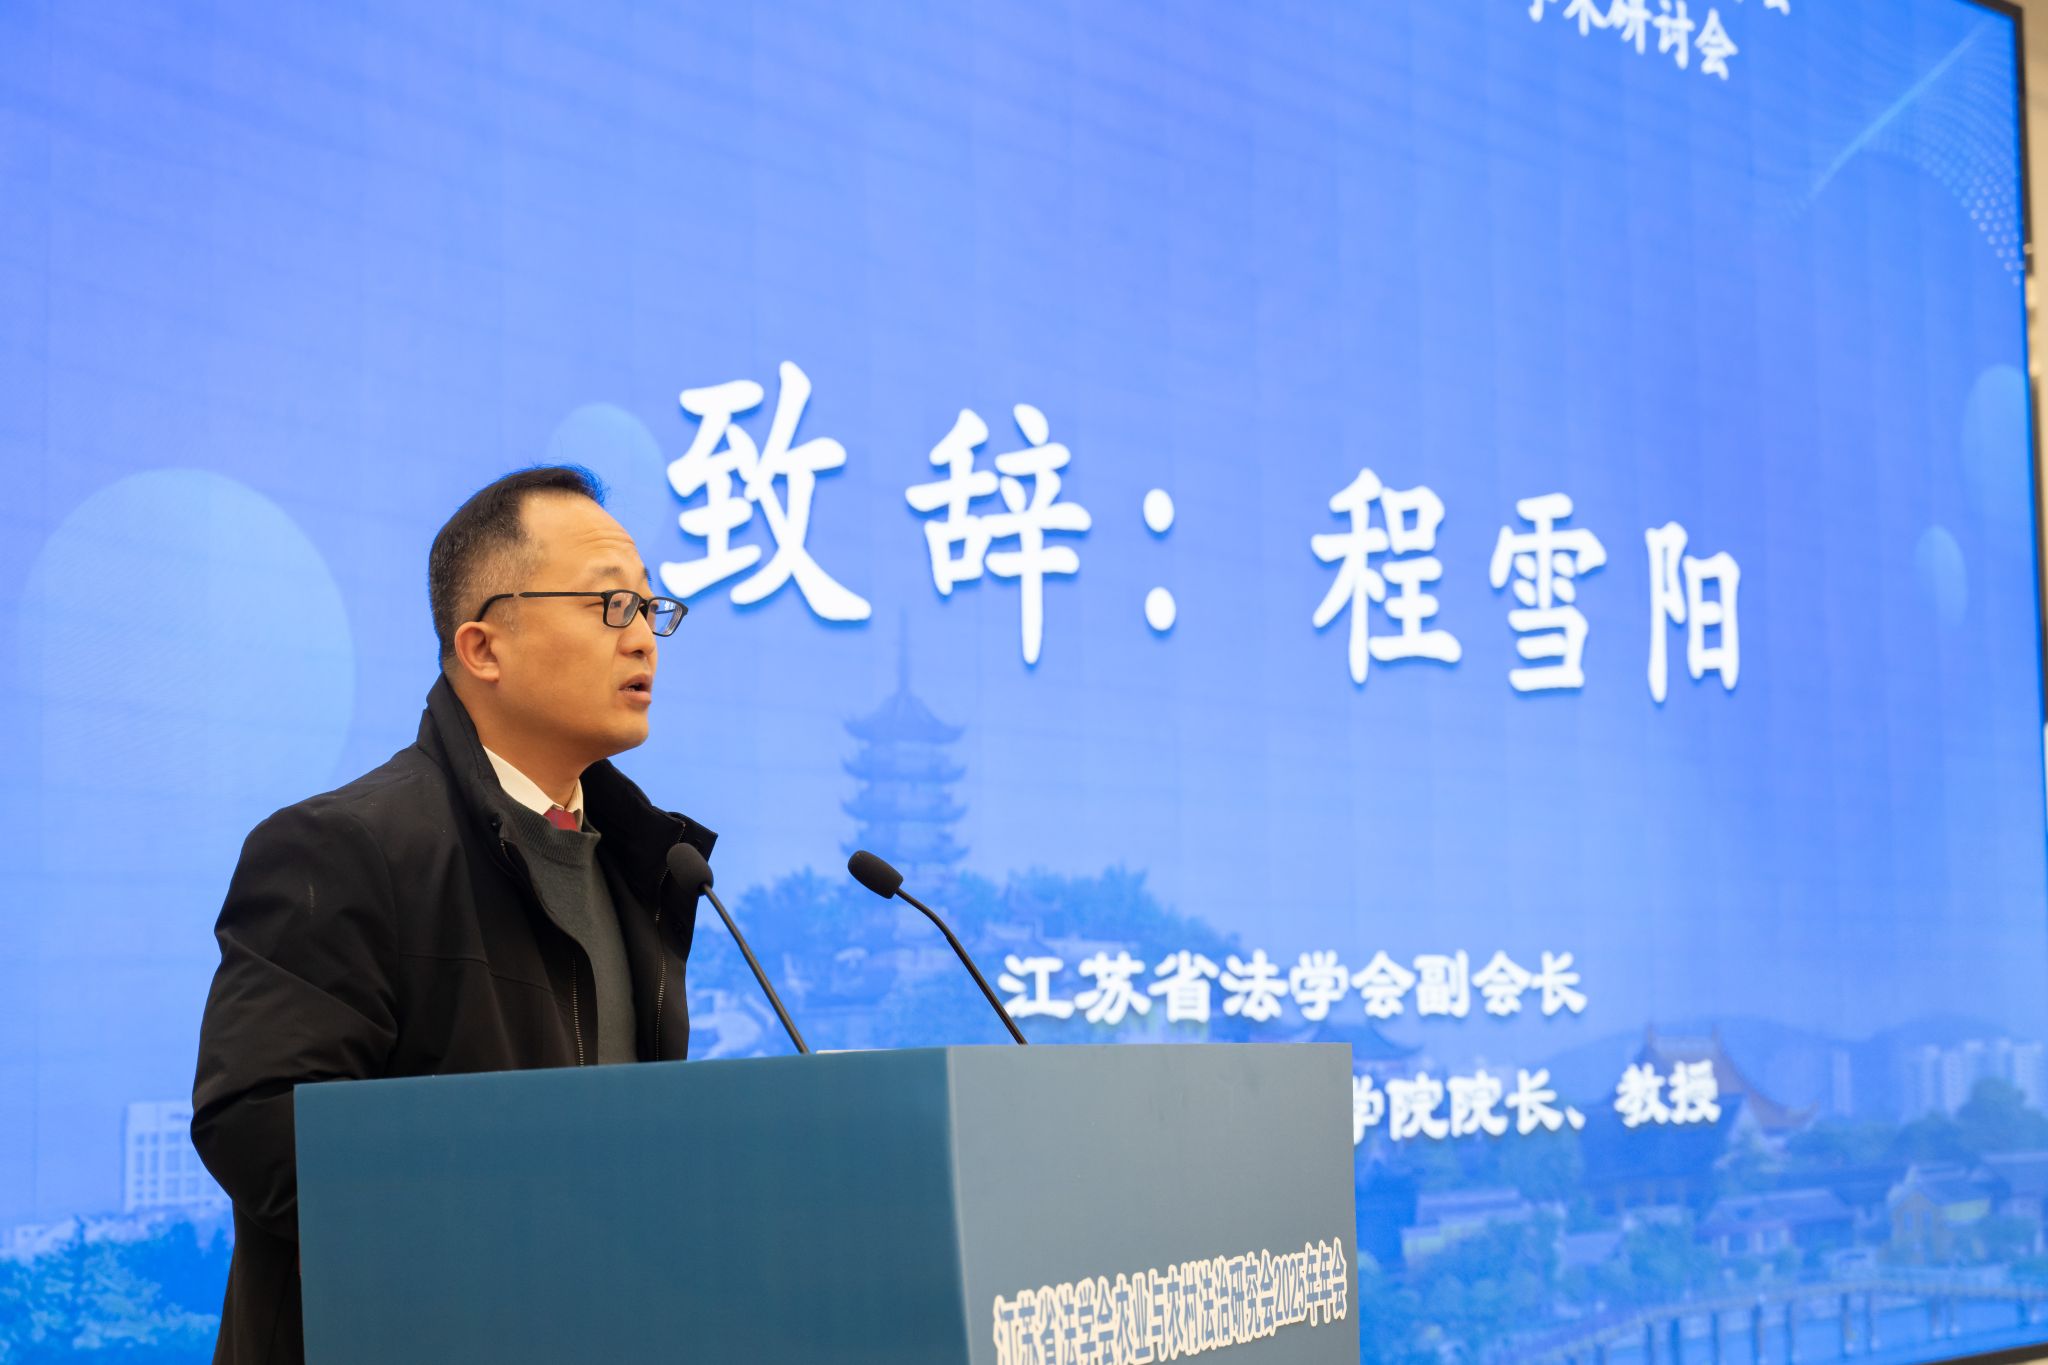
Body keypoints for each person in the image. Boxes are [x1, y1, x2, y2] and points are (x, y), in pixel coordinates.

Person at [190, 466, 713, 1364]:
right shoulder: (345, 846)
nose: (643, 638)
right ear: (483, 647)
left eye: (649, 607)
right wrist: (526, 1234)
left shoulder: (643, 865)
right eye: (610, 605)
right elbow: (258, 1121)